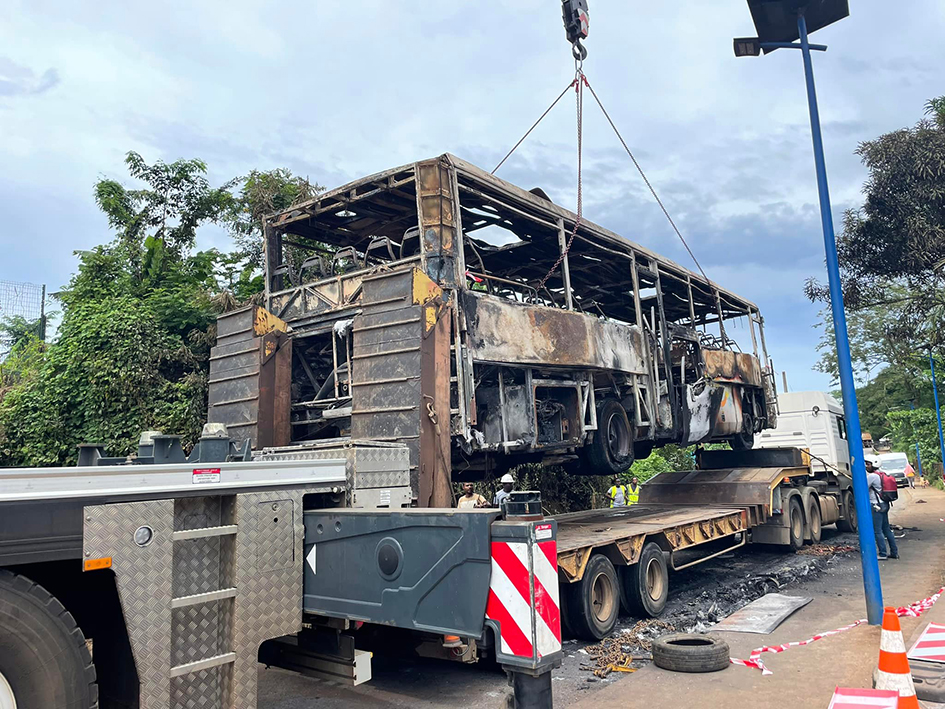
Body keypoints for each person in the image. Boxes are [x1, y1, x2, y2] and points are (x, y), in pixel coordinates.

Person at [866, 459, 899, 560]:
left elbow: (863, 487)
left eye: (868, 464)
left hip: (876, 505)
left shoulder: (872, 476)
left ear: (874, 465)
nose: (866, 466)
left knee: (878, 531)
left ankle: (883, 554)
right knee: (886, 529)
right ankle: (894, 552)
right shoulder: (881, 474)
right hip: (884, 504)